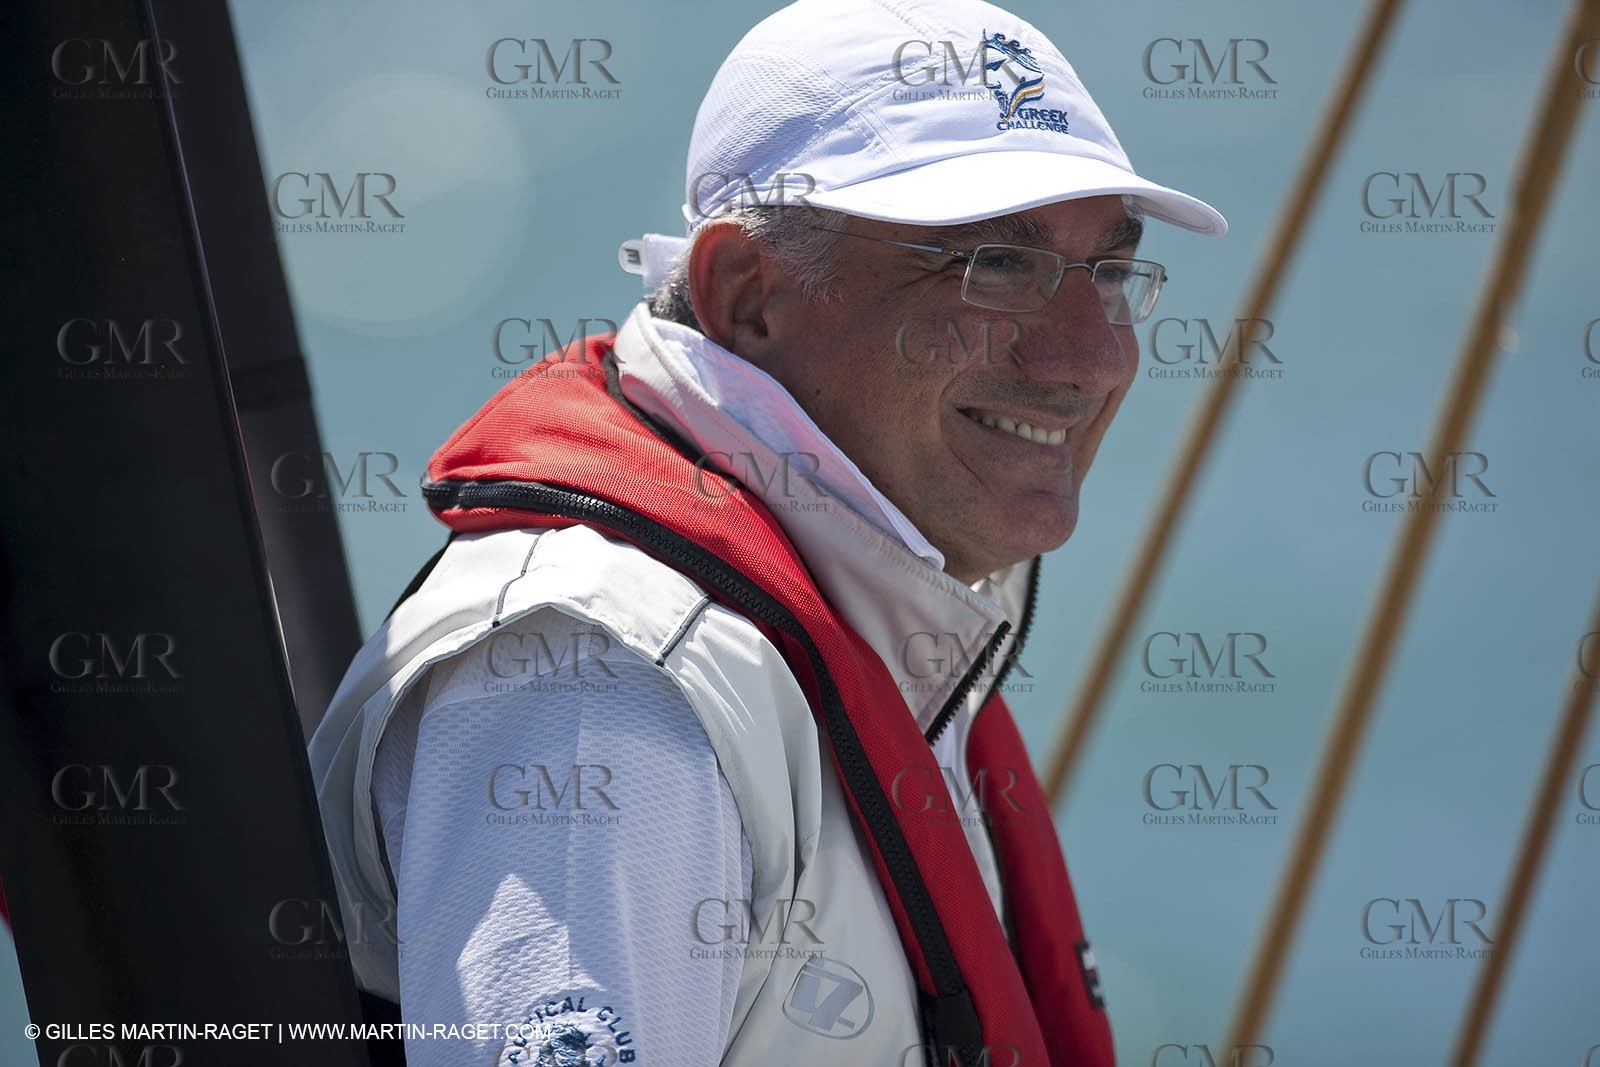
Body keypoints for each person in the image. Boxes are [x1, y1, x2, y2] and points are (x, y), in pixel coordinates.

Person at [309, 0, 1225, 1064]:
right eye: (994, 266)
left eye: (1108, 271)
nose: (1088, 357)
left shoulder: (865, 600)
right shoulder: (600, 683)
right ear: (746, 296)